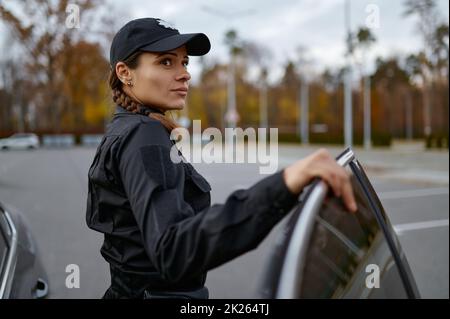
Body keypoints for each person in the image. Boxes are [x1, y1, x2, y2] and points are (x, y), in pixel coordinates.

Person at [85, 17, 357, 299]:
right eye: (166, 62)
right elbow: (172, 250)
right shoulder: (144, 135)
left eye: (185, 62)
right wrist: (285, 183)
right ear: (125, 72)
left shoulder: (127, 128)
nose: (184, 74)